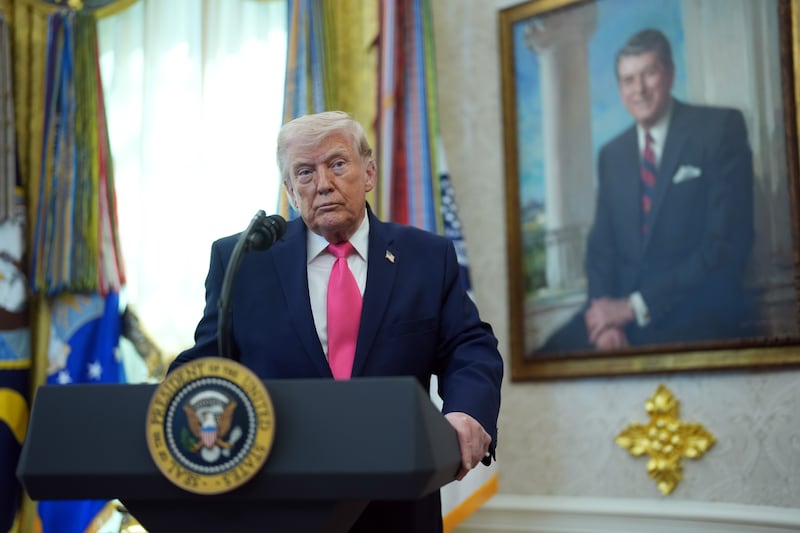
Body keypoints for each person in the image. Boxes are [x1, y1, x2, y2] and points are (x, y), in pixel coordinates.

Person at [168, 110, 503, 531]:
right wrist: (165, 408)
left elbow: (469, 347)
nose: (323, 183)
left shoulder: (425, 257)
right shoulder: (244, 260)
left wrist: (467, 412)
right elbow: (207, 361)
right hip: (279, 505)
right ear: (290, 192)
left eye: (338, 164)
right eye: (305, 172)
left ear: (369, 173)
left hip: (397, 503)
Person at [540, 28, 755, 353]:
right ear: (620, 89)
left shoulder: (718, 130)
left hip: (692, 310)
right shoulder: (612, 154)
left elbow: (725, 246)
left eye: (649, 73)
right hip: (619, 315)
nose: (639, 89)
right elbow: (601, 251)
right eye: (628, 80)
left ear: (670, 74)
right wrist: (605, 322)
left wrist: (635, 307)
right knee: (543, 358)